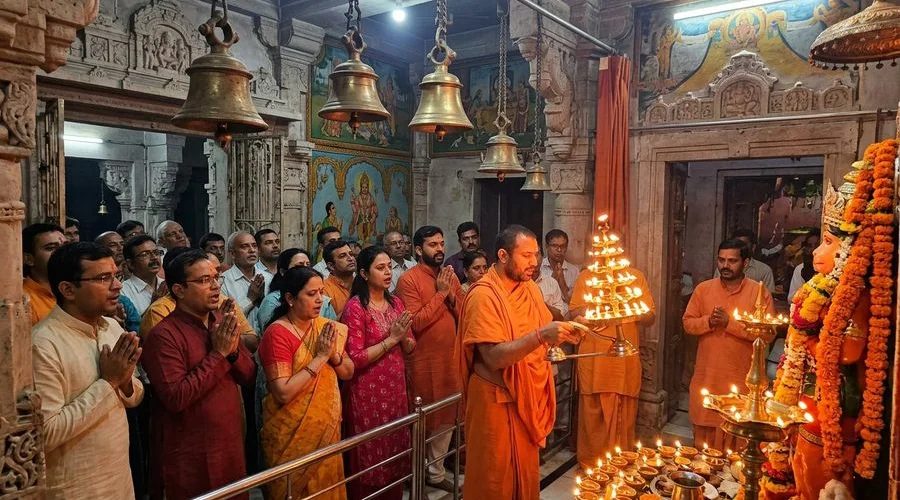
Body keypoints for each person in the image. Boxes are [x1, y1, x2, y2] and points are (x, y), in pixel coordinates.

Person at [456, 225, 579, 498]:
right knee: (493, 480)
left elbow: (547, 336)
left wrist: (572, 328)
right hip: (494, 400)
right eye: (526, 256)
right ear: (503, 255)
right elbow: (493, 357)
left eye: (536, 255)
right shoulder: (482, 295)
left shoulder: (530, 291)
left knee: (524, 476)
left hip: (527, 397)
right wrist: (540, 335)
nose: (535, 263)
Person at [142, 250, 256, 500]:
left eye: (216, 278)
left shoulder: (220, 321)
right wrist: (219, 353)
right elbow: (176, 397)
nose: (215, 286)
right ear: (179, 290)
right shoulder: (164, 335)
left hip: (229, 444)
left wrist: (233, 352)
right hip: (189, 451)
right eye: (204, 281)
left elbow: (249, 376)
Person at [32, 242, 144, 499]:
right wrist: (109, 382)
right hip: (75, 486)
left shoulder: (112, 328)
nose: (117, 286)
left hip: (118, 476)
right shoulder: (43, 344)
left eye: (116, 275)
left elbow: (135, 394)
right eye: (104, 278)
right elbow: (45, 433)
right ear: (68, 289)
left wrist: (125, 382)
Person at [258, 267, 354, 499]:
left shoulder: (325, 327)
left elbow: (348, 372)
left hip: (326, 432)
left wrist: (333, 356)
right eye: (311, 294)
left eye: (321, 292)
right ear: (290, 298)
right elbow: (282, 392)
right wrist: (321, 357)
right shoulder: (277, 334)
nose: (320, 299)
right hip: (292, 436)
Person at [683, 239, 774, 450]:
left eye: (732, 261)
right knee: (703, 447)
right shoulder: (703, 290)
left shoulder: (758, 293)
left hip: (740, 380)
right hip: (707, 378)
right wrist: (708, 322)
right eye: (721, 260)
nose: (725, 265)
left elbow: (767, 334)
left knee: (736, 439)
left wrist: (729, 324)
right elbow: (688, 323)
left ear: (746, 262)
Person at [342, 245, 416, 500]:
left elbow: (411, 345)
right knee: (371, 454)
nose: (387, 273)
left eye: (389, 267)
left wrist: (404, 338)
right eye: (380, 268)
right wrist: (392, 338)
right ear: (363, 273)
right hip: (367, 394)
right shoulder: (355, 308)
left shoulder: (395, 302)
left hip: (395, 390)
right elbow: (355, 358)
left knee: (395, 447)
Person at [395, 226, 464, 491]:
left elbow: (464, 313)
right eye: (433, 244)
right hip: (423, 361)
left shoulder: (449, 276)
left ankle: (435, 474)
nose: (439, 249)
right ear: (418, 249)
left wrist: (448, 293)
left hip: (450, 360)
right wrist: (441, 294)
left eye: (441, 243)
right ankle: (415, 476)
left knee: (446, 418)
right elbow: (418, 322)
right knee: (422, 420)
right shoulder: (408, 280)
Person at [568, 264, 656, 469]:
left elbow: (650, 316)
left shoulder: (635, 277)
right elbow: (573, 311)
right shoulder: (586, 277)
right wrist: (601, 306)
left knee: (622, 413)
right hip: (593, 358)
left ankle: (618, 465)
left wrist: (625, 307)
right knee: (592, 412)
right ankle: (591, 466)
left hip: (623, 360)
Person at [258, 248, 338, 328]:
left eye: (308, 265)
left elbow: (333, 330)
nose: (306, 269)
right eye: (299, 266)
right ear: (283, 272)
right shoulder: (272, 301)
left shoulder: (323, 301)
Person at [221, 231, 270, 332]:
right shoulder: (223, 281)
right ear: (233, 254)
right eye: (245, 246)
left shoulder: (269, 278)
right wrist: (250, 300)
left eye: (254, 246)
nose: (252, 250)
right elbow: (224, 320)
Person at [23, 223, 67, 324]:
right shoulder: (22, 299)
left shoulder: (78, 288)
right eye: (51, 248)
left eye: (65, 246)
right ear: (29, 259)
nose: (62, 253)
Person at [122, 235, 167, 316]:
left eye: (156, 252)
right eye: (145, 254)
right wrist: (155, 304)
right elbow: (131, 327)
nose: (154, 258)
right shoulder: (123, 292)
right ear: (131, 264)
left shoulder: (166, 285)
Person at [540, 229, 580, 302]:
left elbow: (574, 302)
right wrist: (552, 282)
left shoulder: (574, 271)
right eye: (554, 246)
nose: (559, 250)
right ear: (546, 246)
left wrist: (563, 284)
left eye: (563, 246)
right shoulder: (539, 268)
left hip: (567, 312)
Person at [322, 239, 356, 317]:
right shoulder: (324, 289)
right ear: (331, 266)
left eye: (351, 254)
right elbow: (325, 325)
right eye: (342, 256)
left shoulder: (363, 283)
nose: (350, 259)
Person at [532, 256, 568, 321]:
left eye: (537, 254)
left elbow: (560, 317)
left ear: (542, 258)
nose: (534, 260)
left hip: (548, 328)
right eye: (528, 255)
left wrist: (540, 303)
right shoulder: (516, 284)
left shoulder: (551, 282)